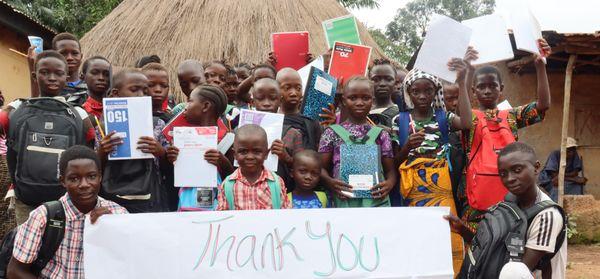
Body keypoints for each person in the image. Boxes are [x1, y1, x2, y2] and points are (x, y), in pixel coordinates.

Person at [463, 39, 552, 230]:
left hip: (511, 193)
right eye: (481, 86)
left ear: (501, 89)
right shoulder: (469, 117)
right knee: (479, 245)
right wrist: (468, 72)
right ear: (473, 90)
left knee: (509, 241)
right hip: (479, 197)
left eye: (492, 86)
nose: (487, 90)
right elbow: (460, 113)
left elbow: (543, 106)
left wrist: (540, 67)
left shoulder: (510, 115)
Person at [1, 50, 96, 225]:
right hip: (39, 198)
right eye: (45, 72)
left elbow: (91, 152)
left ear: (67, 77)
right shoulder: (78, 113)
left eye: (58, 73)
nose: (52, 77)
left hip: (56, 199)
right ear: (34, 75)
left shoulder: (18, 107)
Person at [396, 57, 473, 274]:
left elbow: (466, 123)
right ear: (408, 93)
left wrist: (463, 82)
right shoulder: (399, 121)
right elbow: (392, 163)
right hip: (413, 190)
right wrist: (405, 148)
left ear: (435, 92)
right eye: (416, 91)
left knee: (447, 231)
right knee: (416, 236)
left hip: (442, 187)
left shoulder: (444, 118)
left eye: (428, 91)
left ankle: (452, 272)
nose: (422, 96)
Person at [446, 142, 567, 279]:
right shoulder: (510, 203)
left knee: (512, 270)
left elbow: (520, 271)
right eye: (503, 174)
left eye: (517, 170)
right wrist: (462, 230)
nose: (510, 179)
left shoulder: (547, 216)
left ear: (536, 167)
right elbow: (493, 251)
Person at [7, 145, 127, 279]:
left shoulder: (118, 214)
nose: (84, 184)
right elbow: (15, 271)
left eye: (92, 176)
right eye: (74, 178)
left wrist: (115, 228)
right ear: (63, 181)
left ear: (100, 176)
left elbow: (131, 261)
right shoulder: (43, 217)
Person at [97, 68, 170, 213]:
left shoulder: (157, 124)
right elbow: (95, 168)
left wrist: (160, 152)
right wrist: (102, 152)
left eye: (145, 91)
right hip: (113, 199)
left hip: (148, 198)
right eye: (134, 89)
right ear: (115, 94)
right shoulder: (103, 127)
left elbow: (168, 168)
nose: (141, 95)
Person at [319, 76, 397, 208]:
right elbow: (320, 168)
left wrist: (389, 184)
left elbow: (391, 171)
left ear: (372, 101)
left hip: (375, 202)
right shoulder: (331, 133)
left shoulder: (381, 134)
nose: (359, 103)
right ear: (344, 101)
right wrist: (330, 182)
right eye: (353, 98)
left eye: (365, 98)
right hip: (343, 201)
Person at [165, 85, 234, 211]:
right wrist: (172, 158)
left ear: (206, 106)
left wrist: (222, 161)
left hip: (215, 206)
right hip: (185, 201)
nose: (185, 107)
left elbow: (234, 176)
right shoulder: (183, 138)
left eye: (190, 101)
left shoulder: (227, 139)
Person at [216, 124, 291, 210]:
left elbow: (285, 217)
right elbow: (223, 219)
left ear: (266, 154)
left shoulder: (277, 183)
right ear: (235, 155)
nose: (250, 157)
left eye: (256, 151)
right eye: (243, 151)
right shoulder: (227, 185)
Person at [251, 78, 304, 191]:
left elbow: (303, 169)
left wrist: (286, 157)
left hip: (280, 193)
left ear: (280, 101)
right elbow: (233, 167)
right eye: (260, 98)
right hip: (248, 194)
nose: (266, 103)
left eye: (272, 98)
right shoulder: (242, 131)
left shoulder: (293, 133)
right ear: (252, 102)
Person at [276, 68, 322, 151]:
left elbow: (319, 152)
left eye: (298, 88)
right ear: (276, 90)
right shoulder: (272, 120)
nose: (294, 93)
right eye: (287, 88)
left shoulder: (311, 121)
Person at [539, 137, 587, 201]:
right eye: (569, 150)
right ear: (563, 149)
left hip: (564, 179)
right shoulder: (555, 154)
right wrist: (574, 179)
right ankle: (555, 205)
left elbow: (575, 173)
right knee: (557, 184)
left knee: (577, 185)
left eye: (573, 150)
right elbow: (554, 175)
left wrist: (563, 175)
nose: (571, 153)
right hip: (549, 179)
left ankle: (574, 205)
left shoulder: (574, 154)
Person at [368, 59, 399, 128]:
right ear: (368, 81)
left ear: (396, 83)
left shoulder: (401, 114)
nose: (382, 84)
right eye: (376, 79)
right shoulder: (360, 110)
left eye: (388, 79)